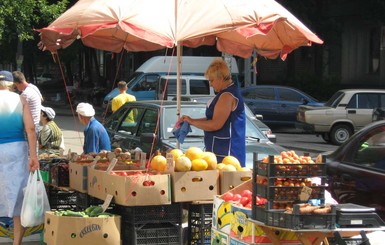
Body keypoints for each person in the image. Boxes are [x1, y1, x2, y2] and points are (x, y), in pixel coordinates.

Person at [182, 58, 246, 167]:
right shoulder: (226, 93)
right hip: (221, 149)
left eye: (211, 80)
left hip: (227, 152)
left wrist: (192, 121)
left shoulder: (227, 96)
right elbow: (211, 119)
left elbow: (215, 124)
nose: (210, 85)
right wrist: (191, 120)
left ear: (220, 78)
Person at [0, 71, 39, 245]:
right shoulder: (21, 100)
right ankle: (17, 243)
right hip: (16, 149)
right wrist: (34, 156)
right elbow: (30, 129)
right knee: (18, 198)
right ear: (12, 84)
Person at [13, 71, 43, 136]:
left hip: (30, 127)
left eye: (15, 86)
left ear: (17, 83)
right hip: (36, 124)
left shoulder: (26, 94)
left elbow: (16, 110)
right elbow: (42, 99)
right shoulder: (33, 87)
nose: (15, 88)